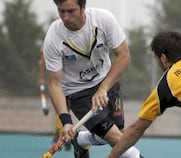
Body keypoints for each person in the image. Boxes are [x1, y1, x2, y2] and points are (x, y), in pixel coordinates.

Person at [42, 0, 143, 158]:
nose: (66, 17)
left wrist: (103, 88)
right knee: (118, 139)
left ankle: (81, 139)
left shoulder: (103, 20)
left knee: (118, 131)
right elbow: (54, 84)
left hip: (107, 83)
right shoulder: (54, 37)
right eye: (61, 11)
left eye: (71, 11)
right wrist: (66, 120)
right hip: (78, 93)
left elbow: (124, 55)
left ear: (83, 7)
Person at [38, 48, 71, 151]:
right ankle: (62, 138)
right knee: (61, 111)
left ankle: (61, 137)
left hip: (73, 82)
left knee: (68, 111)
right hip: (59, 83)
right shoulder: (52, 39)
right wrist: (41, 77)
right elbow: (44, 59)